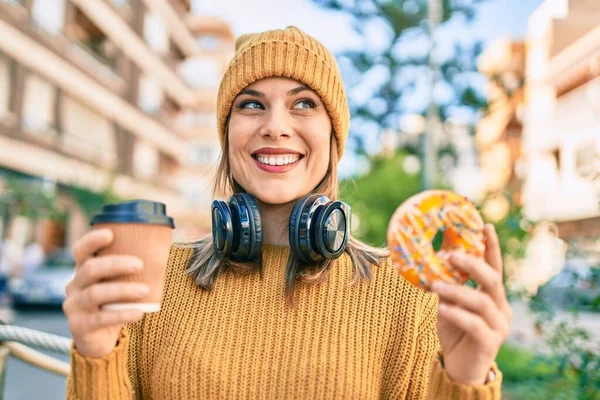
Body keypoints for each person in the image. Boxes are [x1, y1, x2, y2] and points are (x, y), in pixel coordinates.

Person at [64, 26, 511, 399]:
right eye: (252, 104)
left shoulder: (407, 295)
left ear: (334, 140)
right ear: (226, 136)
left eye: (304, 104)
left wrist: (465, 380)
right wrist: (96, 351)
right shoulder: (155, 279)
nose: (276, 125)